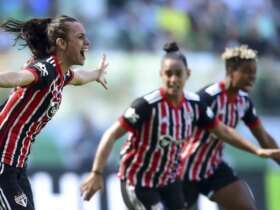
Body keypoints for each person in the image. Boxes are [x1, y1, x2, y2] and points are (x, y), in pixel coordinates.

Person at [80, 42, 280, 210]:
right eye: (168, 73)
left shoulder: (202, 104)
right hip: (161, 175)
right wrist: (97, 172)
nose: (173, 79)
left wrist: (261, 151)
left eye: (178, 73)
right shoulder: (155, 104)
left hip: (190, 172)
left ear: (187, 74)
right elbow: (112, 134)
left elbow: (225, 131)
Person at [0, 15, 108, 210]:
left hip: (16, 165)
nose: (87, 42)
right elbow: (19, 77)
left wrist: (96, 74)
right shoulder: (46, 70)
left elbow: (78, 78)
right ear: (61, 43)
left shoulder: (61, 73)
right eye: (81, 37)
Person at [179, 45, 280, 210]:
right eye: (247, 72)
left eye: (254, 73)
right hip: (184, 169)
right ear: (232, 70)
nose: (252, 77)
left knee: (246, 206)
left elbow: (264, 137)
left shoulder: (244, 102)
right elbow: (222, 131)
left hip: (212, 166)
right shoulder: (207, 97)